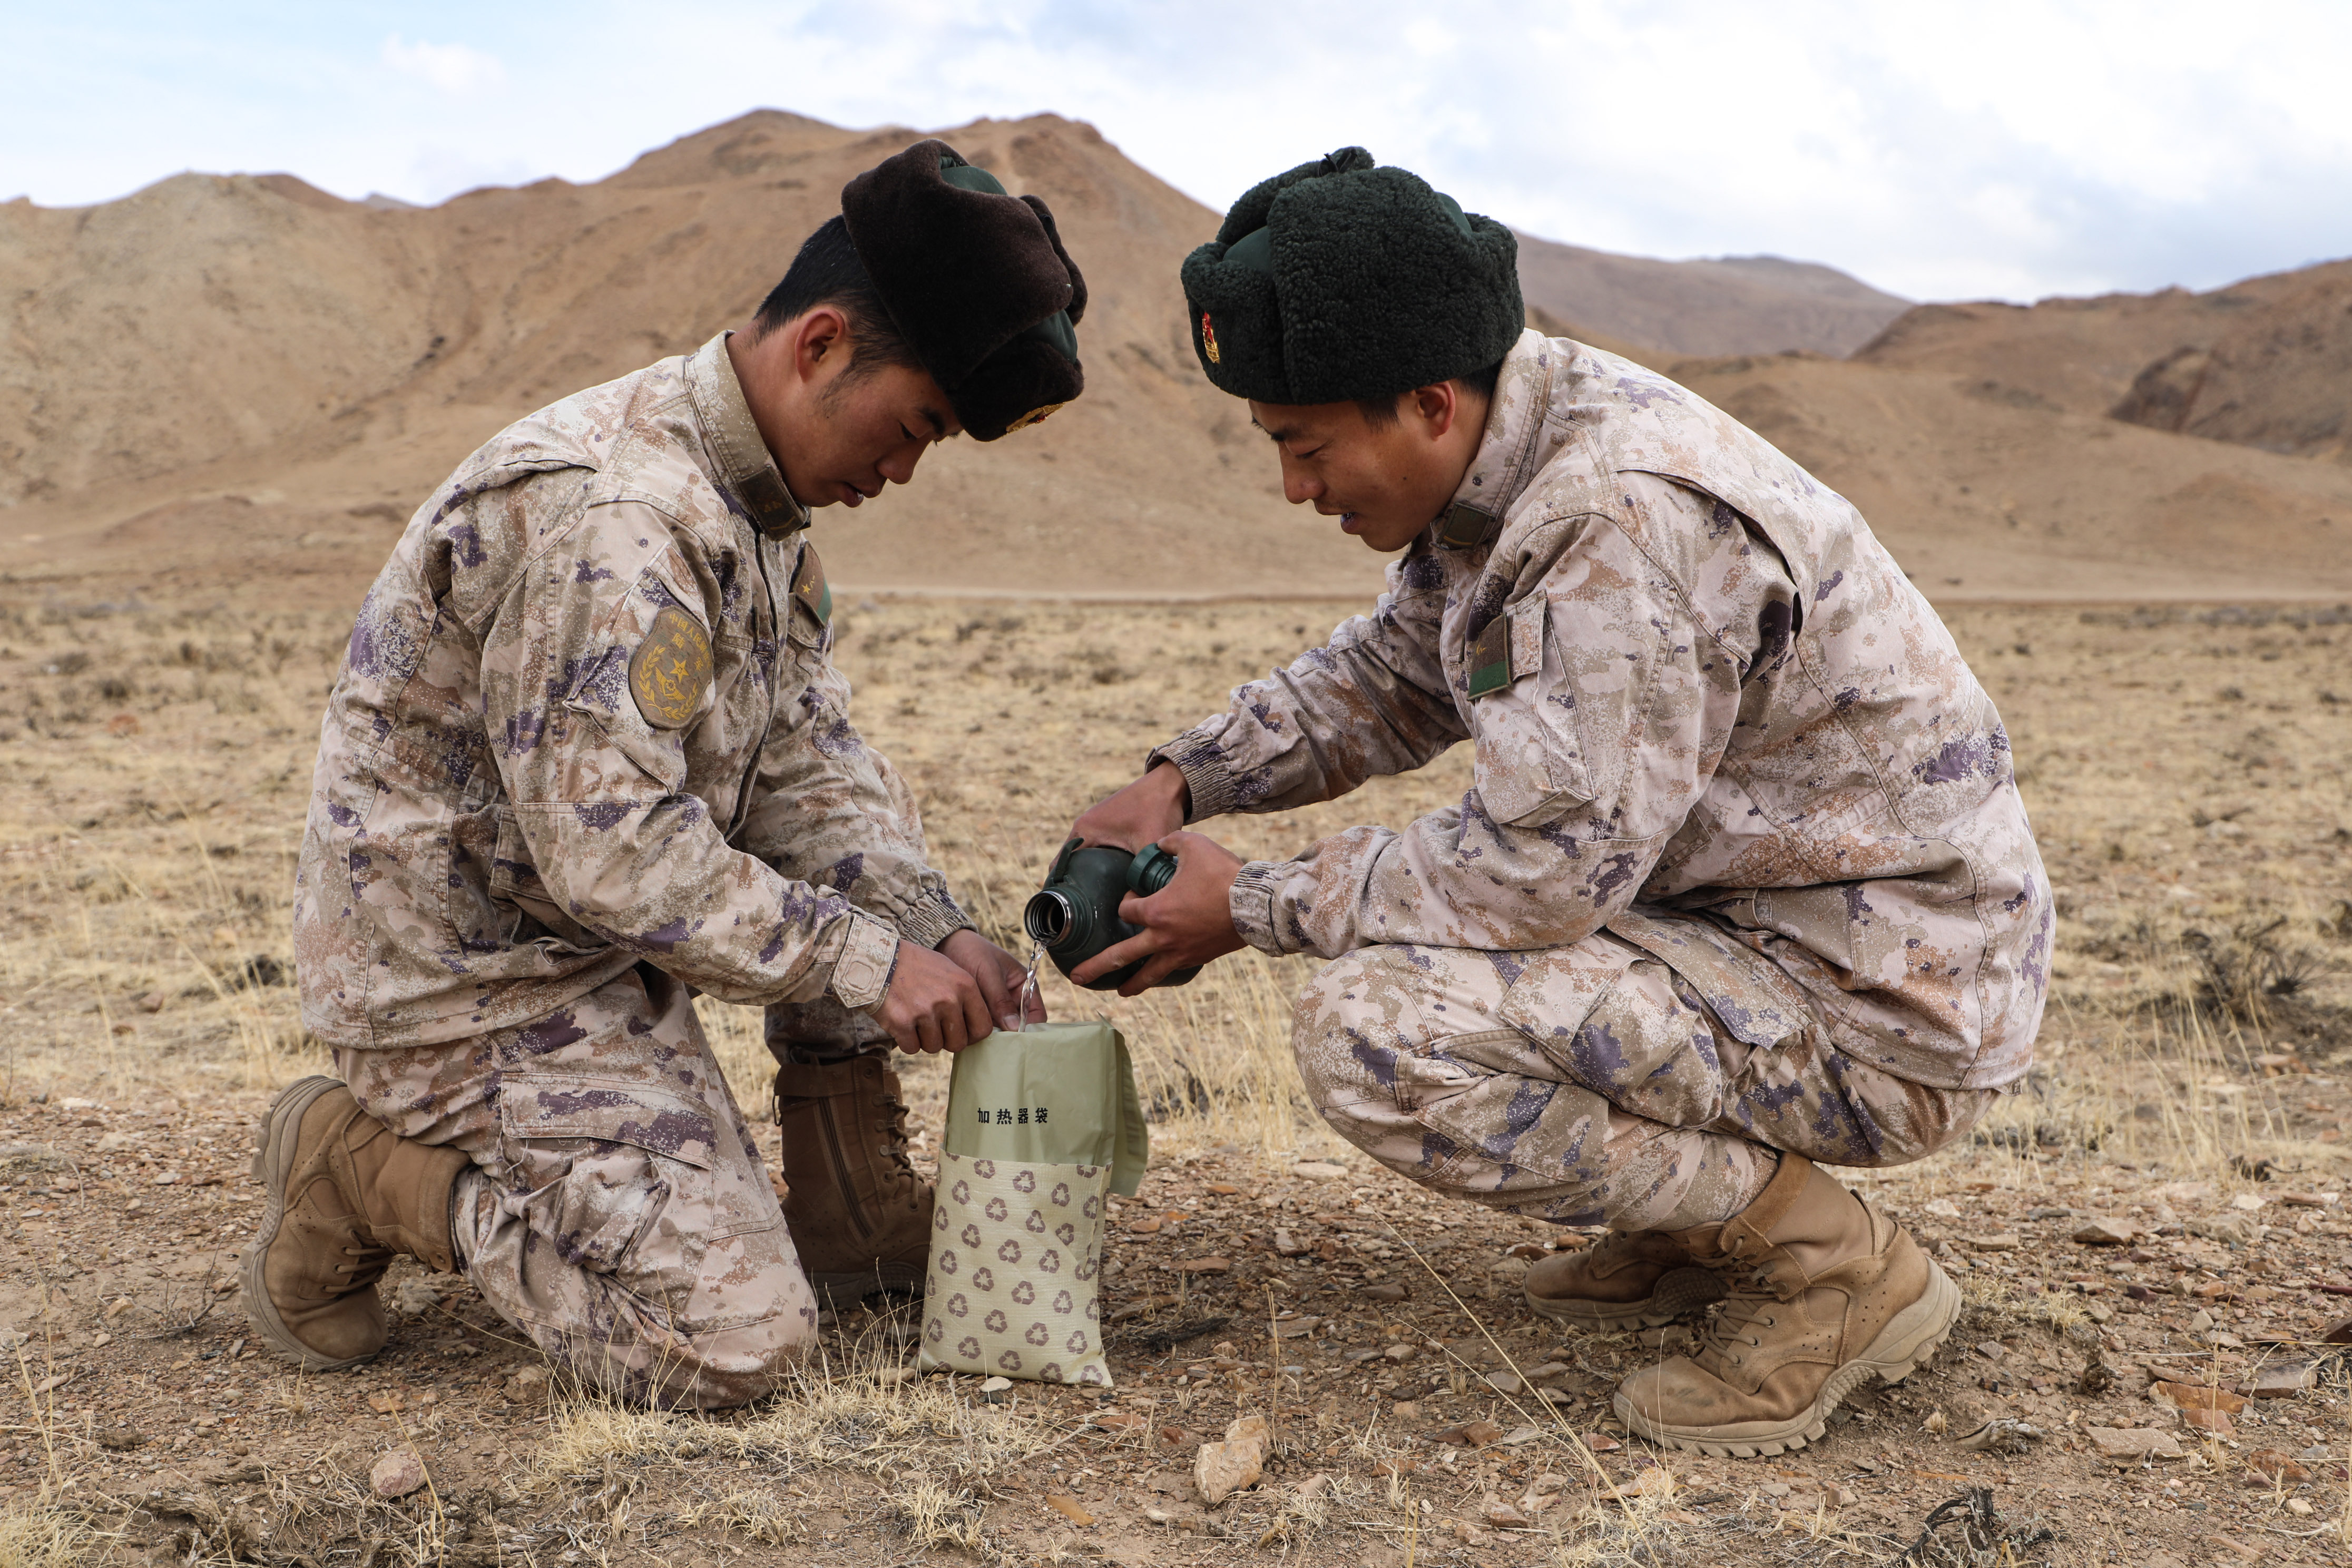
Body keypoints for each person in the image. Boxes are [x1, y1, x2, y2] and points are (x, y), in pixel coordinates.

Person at [1063, 148, 2051, 1457]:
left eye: (1306, 447)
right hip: (1769, 938)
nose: (1296, 489)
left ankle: (1834, 1269)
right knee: (1428, 971)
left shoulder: (1615, 523)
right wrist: (1183, 779)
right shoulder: (1510, 446)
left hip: (1883, 1000)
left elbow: (1537, 873)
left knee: (1383, 1029)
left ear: (1425, 403)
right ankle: (1683, 1227)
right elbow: (1393, 673)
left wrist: (1248, 905)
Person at [248, 140, 1082, 1407]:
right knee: (733, 1342)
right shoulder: (617, 518)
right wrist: (869, 966)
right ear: (818, 347)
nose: (905, 471)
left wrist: (934, 929)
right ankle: (361, 1165)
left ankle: (850, 1213)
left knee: (866, 862)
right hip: (468, 980)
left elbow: (804, 759)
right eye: (912, 425)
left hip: (590, 932)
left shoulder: (757, 501)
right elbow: (615, 851)